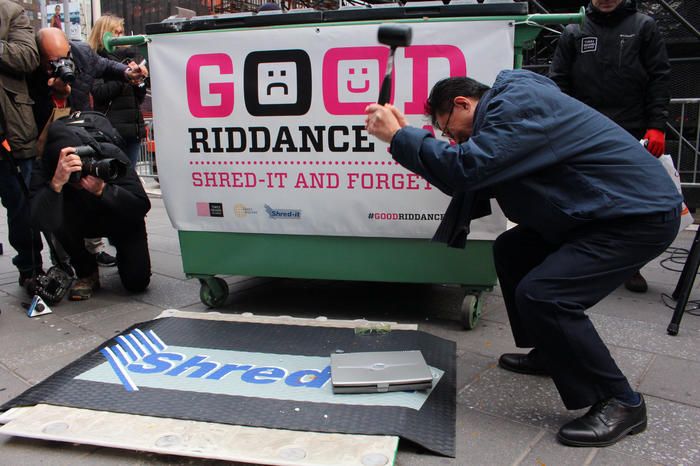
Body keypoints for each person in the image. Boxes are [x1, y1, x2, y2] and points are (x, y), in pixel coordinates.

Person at [364, 69, 682, 447]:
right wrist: (408, 140)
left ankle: (622, 402)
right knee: (512, 251)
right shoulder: (511, 110)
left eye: (449, 130)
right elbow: (464, 176)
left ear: (463, 103)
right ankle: (554, 351)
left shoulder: (517, 107)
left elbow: (467, 168)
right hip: (600, 211)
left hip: (635, 216)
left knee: (545, 294)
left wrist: (401, 137)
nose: (453, 139)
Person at [549, 0, 671, 293]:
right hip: (583, 129)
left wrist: (657, 125)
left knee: (630, 199)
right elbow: (558, 81)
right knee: (582, 194)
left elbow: (659, 77)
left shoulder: (643, 26)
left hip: (631, 128)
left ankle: (630, 265)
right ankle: (580, 259)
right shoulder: (574, 29)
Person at [30, 27, 146, 271]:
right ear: (39, 58)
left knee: (96, 186)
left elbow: (107, 67)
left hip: (85, 130)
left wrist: (128, 72)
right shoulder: (29, 71)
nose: (62, 64)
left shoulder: (82, 54)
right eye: (53, 61)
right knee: (59, 198)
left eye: (65, 57)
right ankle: (72, 263)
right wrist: (56, 184)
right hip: (47, 137)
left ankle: (98, 248)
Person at [29, 118, 151, 301]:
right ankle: (86, 270)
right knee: (56, 218)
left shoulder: (108, 154)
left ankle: (127, 257)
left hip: (119, 218)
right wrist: (56, 184)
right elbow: (40, 220)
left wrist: (103, 190)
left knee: (136, 282)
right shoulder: (46, 167)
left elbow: (141, 205)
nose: (78, 179)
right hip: (77, 220)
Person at [0, 0, 44, 289]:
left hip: (10, 130)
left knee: (21, 206)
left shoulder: (9, 11)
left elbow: (29, 57)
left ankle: (30, 268)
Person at [88, 15, 148, 168]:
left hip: (132, 131)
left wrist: (140, 81)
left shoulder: (128, 59)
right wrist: (125, 77)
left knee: (130, 177)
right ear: (104, 34)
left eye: (122, 32)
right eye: (116, 33)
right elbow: (99, 92)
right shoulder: (96, 60)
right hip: (110, 131)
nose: (121, 37)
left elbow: (138, 99)